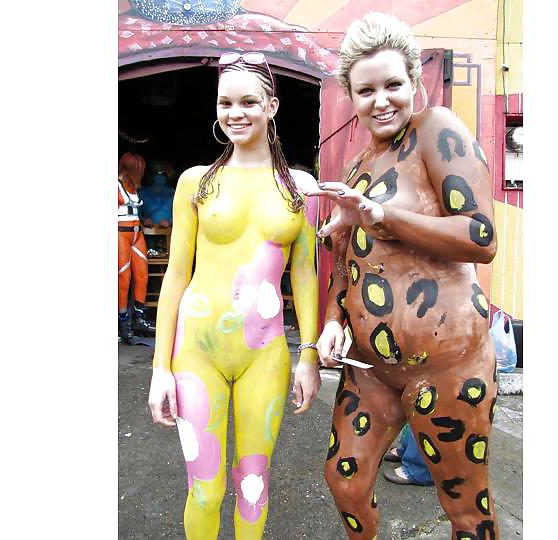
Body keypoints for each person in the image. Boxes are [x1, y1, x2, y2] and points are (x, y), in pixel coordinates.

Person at [306, 12, 500, 540]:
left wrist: (382, 216)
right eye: (366, 90)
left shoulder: (437, 129)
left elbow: (481, 236)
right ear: (351, 95)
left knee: (464, 505)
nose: (382, 100)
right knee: (344, 483)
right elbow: (346, 261)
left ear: (414, 82)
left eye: (393, 84)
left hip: (449, 366)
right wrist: (331, 319)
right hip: (371, 370)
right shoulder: (357, 167)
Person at [147, 51, 321, 540]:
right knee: (204, 489)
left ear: (272, 105)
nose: (235, 112)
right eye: (226, 102)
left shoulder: (299, 188)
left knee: (253, 484)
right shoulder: (196, 183)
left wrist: (308, 356)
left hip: (263, 355)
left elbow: (304, 275)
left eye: (248, 101)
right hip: (195, 352)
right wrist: (160, 367)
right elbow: (175, 278)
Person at [118, 151, 155, 342]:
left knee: (142, 275)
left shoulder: (133, 188)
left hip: (136, 233)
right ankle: (122, 322)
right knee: (124, 278)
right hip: (120, 234)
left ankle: (139, 318)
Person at [139, 163, 175, 228]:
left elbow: (181, 213)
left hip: (170, 234)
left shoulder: (173, 193)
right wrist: (144, 220)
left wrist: (170, 221)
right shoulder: (142, 193)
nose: (160, 175)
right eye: (157, 172)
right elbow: (136, 214)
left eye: (163, 172)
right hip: (148, 234)